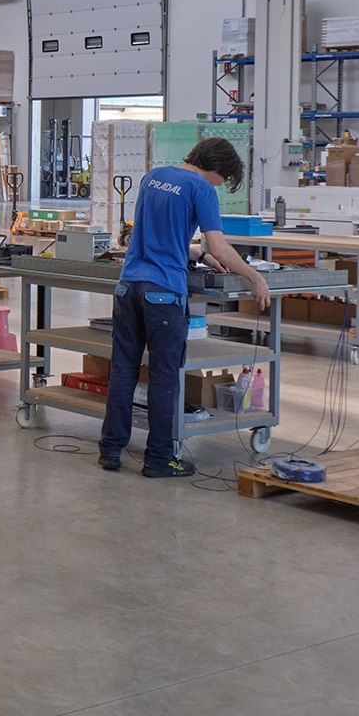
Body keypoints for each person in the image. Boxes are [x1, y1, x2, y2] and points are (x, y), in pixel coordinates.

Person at [100, 138, 270, 478]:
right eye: (223, 179)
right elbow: (219, 247)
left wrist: (197, 254)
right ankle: (160, 459)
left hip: (129, 286)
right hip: (163, 294)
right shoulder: (201, 188)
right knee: (164, 377)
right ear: (217, 169)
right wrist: (254, 276)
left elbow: (156, 236)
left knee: (123, 370)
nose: (219, 185)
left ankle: (110, 450)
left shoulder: (153, 177)